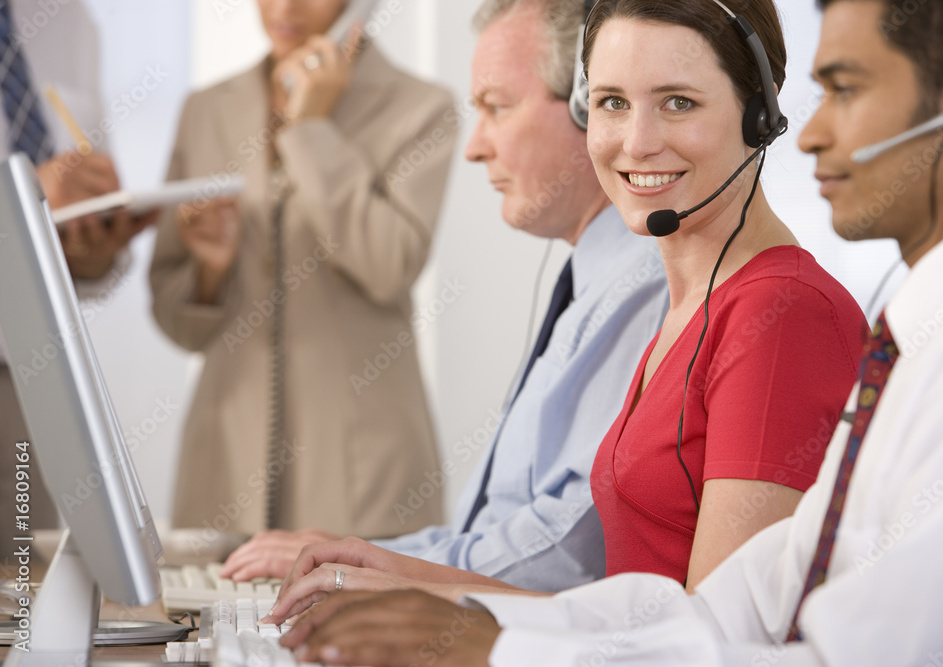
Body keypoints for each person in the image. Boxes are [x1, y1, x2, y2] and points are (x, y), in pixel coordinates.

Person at [275, 0, 943, 664]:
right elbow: (715, 617)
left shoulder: (806, 318)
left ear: (760, 117)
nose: (812, 133)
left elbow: (807, 649)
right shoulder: (710, 315)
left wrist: (488, 641)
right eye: (612, 103)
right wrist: (436, 603)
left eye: (678, 103)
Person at [220, 0, 671, 593]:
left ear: (594, 107)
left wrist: (383, 571)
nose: (475, 147)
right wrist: (361, 554)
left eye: (497, 107)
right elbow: (493, 530)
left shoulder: (642, 287)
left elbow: (572, 546)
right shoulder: (591, 279)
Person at [149, 0, 456, 538]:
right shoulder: (206, 109)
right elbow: (177, 322)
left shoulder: (419, 107)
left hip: (359, 465)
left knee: (356, 618)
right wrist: (210, 272)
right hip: (226, 453)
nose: (284, 7)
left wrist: (311, 131)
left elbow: (389, 264)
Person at [0, 0, 153, 560]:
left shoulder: (67, 19)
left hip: (28, 380)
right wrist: (18, 199)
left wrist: (94, 247)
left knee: (19, 598)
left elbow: (75, 257)